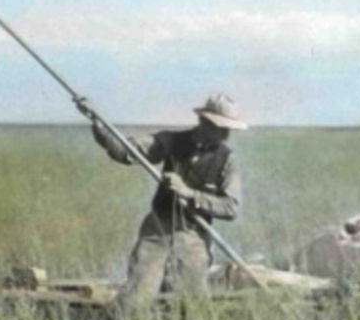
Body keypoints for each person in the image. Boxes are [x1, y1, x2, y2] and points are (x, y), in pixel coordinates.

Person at [76, 94, 246, 307]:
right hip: (157, 230)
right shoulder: (171, 141)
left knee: (194, 305)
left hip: (193, 235)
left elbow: (231, 208)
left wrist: (190, 194)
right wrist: (98, 124)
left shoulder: (227, 160)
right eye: (220, 128)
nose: (225, 135)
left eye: (227, 129)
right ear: (204, 122)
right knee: (135, 299)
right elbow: (125, 151)